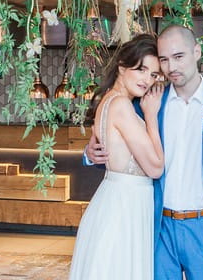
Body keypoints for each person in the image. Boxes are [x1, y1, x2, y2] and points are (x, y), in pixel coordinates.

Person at [86, 25, 203, 280]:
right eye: (164, 60)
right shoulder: (147, 103)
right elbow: (118, 143)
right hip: (158, 227)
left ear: (196, 52)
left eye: (179, 57)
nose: (171, 67)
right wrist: (90, 153)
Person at [69, 33, 165, 280]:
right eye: (141, 69)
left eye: (153, 74)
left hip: (118, 199)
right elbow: (155, 168)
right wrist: (151, 116)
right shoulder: (122, 105)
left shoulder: (107, 101)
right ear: (122, 66)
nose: (147, 80)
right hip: (124, 205)